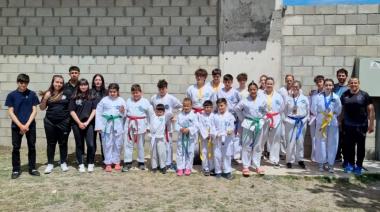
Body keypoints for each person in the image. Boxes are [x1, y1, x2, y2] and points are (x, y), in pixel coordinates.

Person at [5, 74, 40, 179]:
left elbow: (34, 111)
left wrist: (27, 125)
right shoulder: (11, 95)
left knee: (32, 146)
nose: (23, 85)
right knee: (16, 148)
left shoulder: (32, 94)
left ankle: (32, 168)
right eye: (21, 83)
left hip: (30, 126)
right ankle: (16, 169)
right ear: (18, 82)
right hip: (17, 127)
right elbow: (10, 112)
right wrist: (20, 125)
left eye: (25, 83)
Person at [341, 78, 375, 175]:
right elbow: (342, 110)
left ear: (359, 84)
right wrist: (340, 122)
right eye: (351, 83)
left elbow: (371, 110)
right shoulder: (345, 95)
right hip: (348, 125)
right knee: (349, 146)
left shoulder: (364, 95)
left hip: (361, 125)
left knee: (360, 147)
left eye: (355, 83)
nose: (353, 84)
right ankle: (351, 165)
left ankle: (359, 166)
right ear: (349, 84)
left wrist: (371, 124)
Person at [40, 75, 71, 174]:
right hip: (50, 122)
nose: (59, 84)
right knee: (51, 143)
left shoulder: (67, 93)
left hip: (64, 122)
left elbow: (71, 108)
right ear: (53, 82)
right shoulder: (48, 93)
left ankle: (63, 162)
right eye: (57, 82)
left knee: (63, 143)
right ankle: (50, 164)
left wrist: (67, 121)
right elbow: (42, 108)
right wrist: (45, 98)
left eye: (61, 82)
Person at [235, 81, 267, 176]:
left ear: (257, 90)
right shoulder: (244, 100)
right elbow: (237, 109)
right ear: (248, 90)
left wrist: (263, 119)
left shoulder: (262, 100)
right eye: (251, 89)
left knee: (257, 145)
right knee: (246, 144)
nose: (253, 91)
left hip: (258, 123)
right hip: (248, 122)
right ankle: (245, 166)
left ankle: (257, 165)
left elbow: (266, 111)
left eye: (254, 89)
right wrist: (242, 119)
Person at [150, 79, 182, 170]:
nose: (161, 90)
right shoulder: (154, 98)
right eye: (160, 89)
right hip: (157, 126)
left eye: (163, 88)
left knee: (168, 144)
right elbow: (151, 110)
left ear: (166, 88)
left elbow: (181, 106)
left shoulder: (171, 98)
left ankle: (168, 162)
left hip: (168, 125)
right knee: (158, 145)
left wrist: (175, 115)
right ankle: (160, 163)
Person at [95, 83, 126, 172]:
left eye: (114, 92)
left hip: (117, 124)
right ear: (108, 91)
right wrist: (98, 126)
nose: (112, 93)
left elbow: (124, 114)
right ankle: (108, 163)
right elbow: (98, 113)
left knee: (118, 143)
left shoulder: (121, 100)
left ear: (118, 92)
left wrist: (122, 112)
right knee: (107, 144)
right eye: (111, 92)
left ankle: (116, 162)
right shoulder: (104, 100)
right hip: (106, 124)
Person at [313, 79, 342, 173]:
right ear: (324, 86)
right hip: (321, 122)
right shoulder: (317, 97)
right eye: (326, 85)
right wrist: (321, 115)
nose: (328, 87)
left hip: (332, 121)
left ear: (333, 86)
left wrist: (331, 115)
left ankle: (330, 164)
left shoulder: (336, 97)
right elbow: (313, 109)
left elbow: (338, 110)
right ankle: (321, 163)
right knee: (320, 142)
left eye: (330, 85)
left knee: (332, 142)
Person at [69, 79, 96, 173]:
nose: (83, 87)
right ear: (79, 86)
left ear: (88, 86)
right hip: (77, 124)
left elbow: (94, 110)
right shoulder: (74, 97)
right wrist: (79, 123)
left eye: (85, 85)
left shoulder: (91, 96)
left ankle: (90, 163)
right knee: (79, 144)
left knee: (91, 144)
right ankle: (80, 164)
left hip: (89, 124)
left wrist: (87, 122)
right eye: (81, 85)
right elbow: (72, 111)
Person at [214, 74, 242, 161]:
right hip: (221, 116)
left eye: (229, 82)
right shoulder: (219, 91)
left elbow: (241, 104)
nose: (227, 83)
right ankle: (223, 154)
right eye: (225, 82)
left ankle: (235, 156)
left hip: (233, 116)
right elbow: (216, 103)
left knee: (233, 136)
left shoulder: (236, 92)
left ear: (232, 82)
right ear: (223, 82)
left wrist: (238, 114)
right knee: (222, 135)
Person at [123, 84, 151, 171]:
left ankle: (141, 162)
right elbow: (125, 113)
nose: (135, 94)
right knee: (128, 144)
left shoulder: (145, 101)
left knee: (140, 144)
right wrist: (122, 112)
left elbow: (150, 114)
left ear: (141, 92)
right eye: (134, 93)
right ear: (132, 93)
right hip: (129, 123)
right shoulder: (128, 101)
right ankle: (128, 162)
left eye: (137, 92)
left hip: (141, 124)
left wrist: (148, 126)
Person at [283, 81, 309, 169]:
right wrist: (286, 120)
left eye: (297, 86)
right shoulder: (287, 98)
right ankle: (289, 160)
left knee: (300, 142)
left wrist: (305, 120)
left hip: (301, 122)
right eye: (293, 86)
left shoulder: (304, 98)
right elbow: (283, 111)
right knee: (290, 141)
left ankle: (300, 160)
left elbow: (308, 111)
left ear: (300, 87)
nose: (295, 88)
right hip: (290, 122)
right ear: (291, 88)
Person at [262, 77, 284, 167]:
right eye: (267, 83)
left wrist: (275, 115)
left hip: (276, 118)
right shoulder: (261, 94)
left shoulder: (278, 95)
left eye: (271, 83)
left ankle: (274, 159)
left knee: (275, 139)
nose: (269, 85)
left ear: (273, 84)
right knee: (261, 138)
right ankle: (257, 156)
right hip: (264, 118)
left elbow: (282, 108)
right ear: (265, 84)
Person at [212, 98, 235, 179]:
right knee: (217, 155)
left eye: (222, 106)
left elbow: (231, 127)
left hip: (227, 139)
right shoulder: (215, 116)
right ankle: (218, 171)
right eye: (218, 106)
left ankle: (227, 171)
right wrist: (215, 133)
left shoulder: (230, 116)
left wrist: (230, 131)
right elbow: (212, 127)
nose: (220, 108)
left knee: (227, 155)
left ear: (226, 105)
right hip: (217, 139)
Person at [175, 98, 199, 176]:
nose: (186, 107)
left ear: (191, 106)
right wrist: (180, 128)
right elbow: (176, 125)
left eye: (188, 106)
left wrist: (189, 129)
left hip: (190, 137)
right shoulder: (179, 115)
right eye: (184, 106)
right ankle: (180, 168)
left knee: (190, 152)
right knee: (180, 152)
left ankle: (188, 168)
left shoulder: (194, 115)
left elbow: (196, 126)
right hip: (181, 136)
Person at [147, 104, 173, 174]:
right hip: (153, 137)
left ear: (163, 112)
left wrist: (165, 109)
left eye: (161, 111)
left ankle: (163, 166)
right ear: (155, 111)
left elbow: (170, 114)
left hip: (161, 138)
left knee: (162, 153)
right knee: (153, 153)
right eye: (157, 111)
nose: (159, 113)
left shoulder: (165, 117)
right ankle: (154, 166)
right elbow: (149, 108)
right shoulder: (153, 116)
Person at [90, 74, 107, 162]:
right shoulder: (89, 92)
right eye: (96, 80)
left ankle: (105, 159)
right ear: (93, 81)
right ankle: (91, 160)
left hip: (103, 120)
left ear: (102, 81)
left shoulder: (106, 92)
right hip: (92, 119)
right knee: (92, 141)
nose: (98, 81)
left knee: (103, 140)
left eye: (100, 80)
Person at [333, 68, 348, 162]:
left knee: (344, 137)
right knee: (335, 136)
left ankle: (345, 157)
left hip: (346, 116)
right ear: (337, 76)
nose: (341, 77)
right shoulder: (333, 87)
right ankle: (337, 156)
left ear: (346, 76)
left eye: (343, 75)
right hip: (334, 116)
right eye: (339, 75)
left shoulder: (349, 87)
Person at [309, 75, 325, 162]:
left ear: (324, 82)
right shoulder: (313, 93)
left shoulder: (326, 93)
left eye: (321, 81)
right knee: (313, 137)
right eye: (317, 81)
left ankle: (321, 157)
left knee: (321, 138)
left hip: (322, 119)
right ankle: (314, 157)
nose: (319, 83)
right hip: (313, 118)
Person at [198, 100, 216, 176]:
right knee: (204, 152)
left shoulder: (214, 116)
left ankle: (212, 167)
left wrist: (211, 134)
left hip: (212, 137)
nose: (207, 109)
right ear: (203, 108)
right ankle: (205, 168)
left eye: (209, 107)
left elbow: (215, 126)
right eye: (205, 107)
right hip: (204, 137)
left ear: (212, 108)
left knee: (212, 152)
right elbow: (200, 126)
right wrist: (205, 135)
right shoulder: (201, 116)